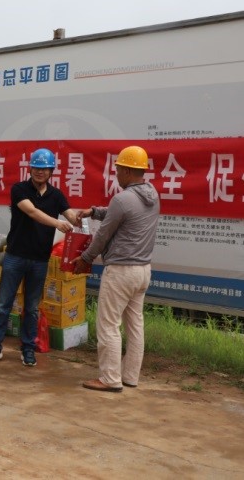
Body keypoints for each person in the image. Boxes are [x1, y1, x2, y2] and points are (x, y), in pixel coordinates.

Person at [0, 148, 76, 367]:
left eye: (44, 169)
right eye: (36, 168)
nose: (40, 172)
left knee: (31, 308)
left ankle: (28, 348)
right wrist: (58, 223)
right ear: (30, 169)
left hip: (40, 260)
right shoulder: (19, 189)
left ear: (51, 171)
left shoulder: (56, 195)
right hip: (15, 256)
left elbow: (70, 214)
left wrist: (82, 217)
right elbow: (31, 211)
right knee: (4, 304)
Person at [74, 146, 160, 392]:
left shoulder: (122, 199)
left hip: (121, 271)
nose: (116, 174)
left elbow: (103, 234)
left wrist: (85, 258)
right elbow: (119, 214)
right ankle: (130, 376)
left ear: (127, 171)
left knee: (108, 325)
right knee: (135, 326)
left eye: (119, 170)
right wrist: (94, 211)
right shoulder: (153, 194)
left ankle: (110, 379)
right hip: (142, 270)